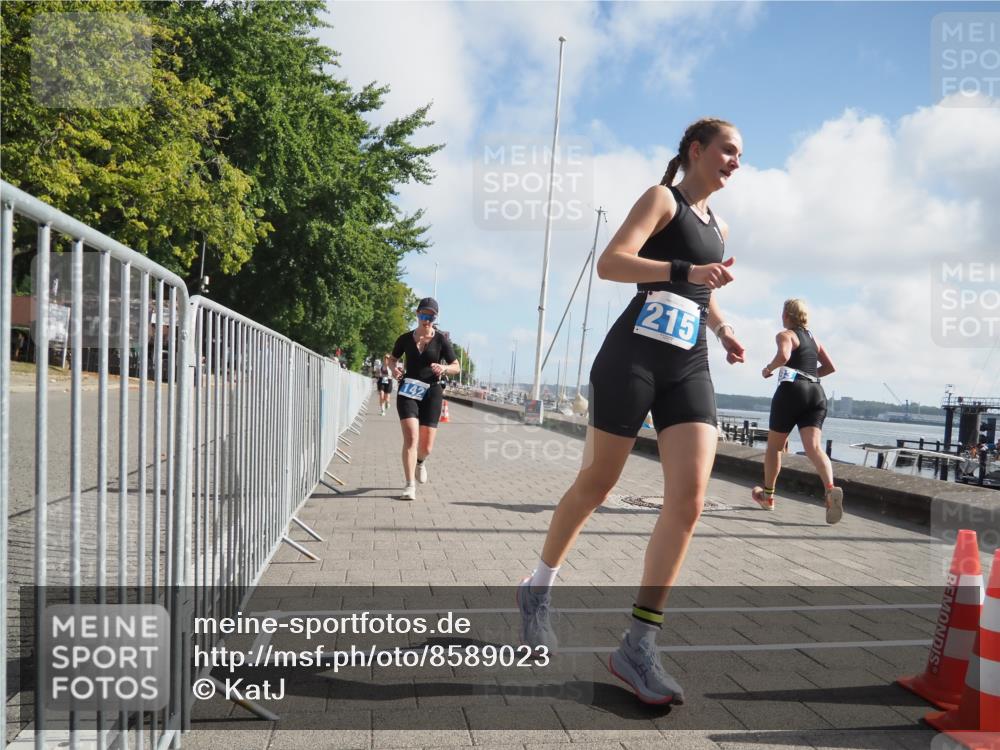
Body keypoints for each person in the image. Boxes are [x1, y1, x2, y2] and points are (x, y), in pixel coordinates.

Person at [517, 118, 746, 705]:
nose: (735, 162)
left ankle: (638, 644)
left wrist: (722, 328)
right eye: (727, 151)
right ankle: (538, 588)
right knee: (597, 483)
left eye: (740, 155)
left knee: (690, 500)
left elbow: (704, 288)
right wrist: (682, 271)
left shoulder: (718, 225)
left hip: (689, 363)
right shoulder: (661, 198)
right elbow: (613, 263)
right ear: (697, 151)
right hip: (633, 359)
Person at [752, 299, 843, 524]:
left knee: (773, 447)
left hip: (792, 391)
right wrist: (809, 377)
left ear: (787, 315)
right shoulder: (814, 339)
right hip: (817, 393)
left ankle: (768, 497)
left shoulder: (786, 335)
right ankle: (830, 489)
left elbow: (783, 356)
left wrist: (768, 369)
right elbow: (831, 367)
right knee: (813, 448)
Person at [388, 298, 460, 501]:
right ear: (417, 314)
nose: (426, 319)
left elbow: (456, 366)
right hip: (408, 391)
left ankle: (420, 461)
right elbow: (392, 359)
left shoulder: (442, 340)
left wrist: (444, 367)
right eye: (423, 315)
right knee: (411, 438)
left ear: (435, 318)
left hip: (432, 392)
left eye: (431, 316)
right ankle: (410, 485)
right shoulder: (404, 339)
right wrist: (394, 369)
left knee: (426, 446)